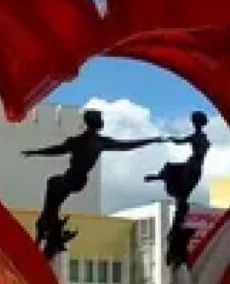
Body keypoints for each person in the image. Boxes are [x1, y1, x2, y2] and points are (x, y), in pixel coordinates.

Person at [23, 110, 165, 259]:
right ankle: (47, 227)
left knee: (53, 187)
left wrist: (35, 152)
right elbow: (126, 145)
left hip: (74, 179)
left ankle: (46, 228)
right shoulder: (98, 142)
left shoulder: (80, 141)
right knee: (53, 192)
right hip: (76, 180)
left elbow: (57, 150)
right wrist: (152, 140)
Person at [145, 111, 210, 269]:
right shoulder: (204, 139)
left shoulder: (197, 137)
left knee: (176, 177)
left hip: (192, 166)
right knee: (177, 179)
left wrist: (169, 139)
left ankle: (159, 178)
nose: (193, 123)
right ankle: (160, 178)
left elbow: (181, 141)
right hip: (195, 167)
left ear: (196, 123)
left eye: (194, 121)